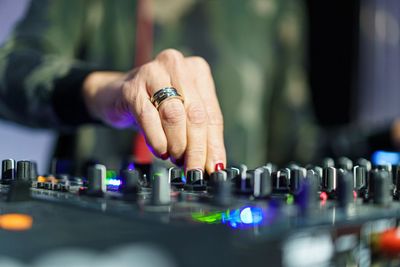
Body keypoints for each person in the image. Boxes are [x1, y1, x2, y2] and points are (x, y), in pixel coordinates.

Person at [0, 0, 316, 174]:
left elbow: (293, 143)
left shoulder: (280, 8)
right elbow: (10, 71)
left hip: (238, 238)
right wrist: (105, 89)